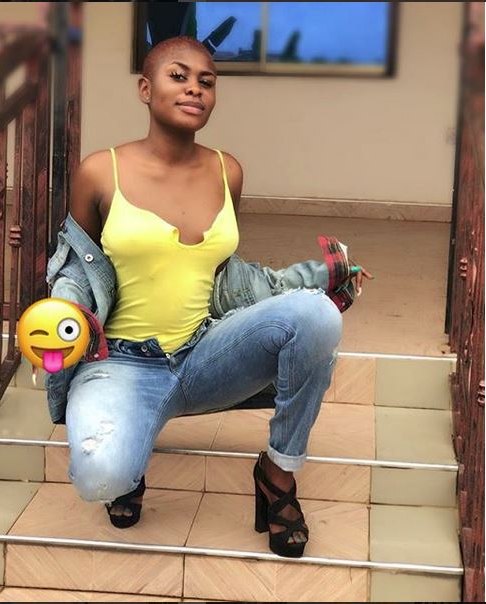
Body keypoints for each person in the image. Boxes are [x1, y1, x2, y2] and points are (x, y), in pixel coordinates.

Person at [47, 36, 373, 558]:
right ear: (145, 89)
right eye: (178, 76)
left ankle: (277, 474)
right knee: (101, 477)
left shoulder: (228, 171)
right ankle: (130, 454)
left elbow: (225, 275)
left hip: (204, 354)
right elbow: (75, 266)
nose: (194, 89)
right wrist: (61, 314)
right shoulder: (99, 171)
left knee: (315, 315)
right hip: (121, 365)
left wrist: (322, 276)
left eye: (206, 81)